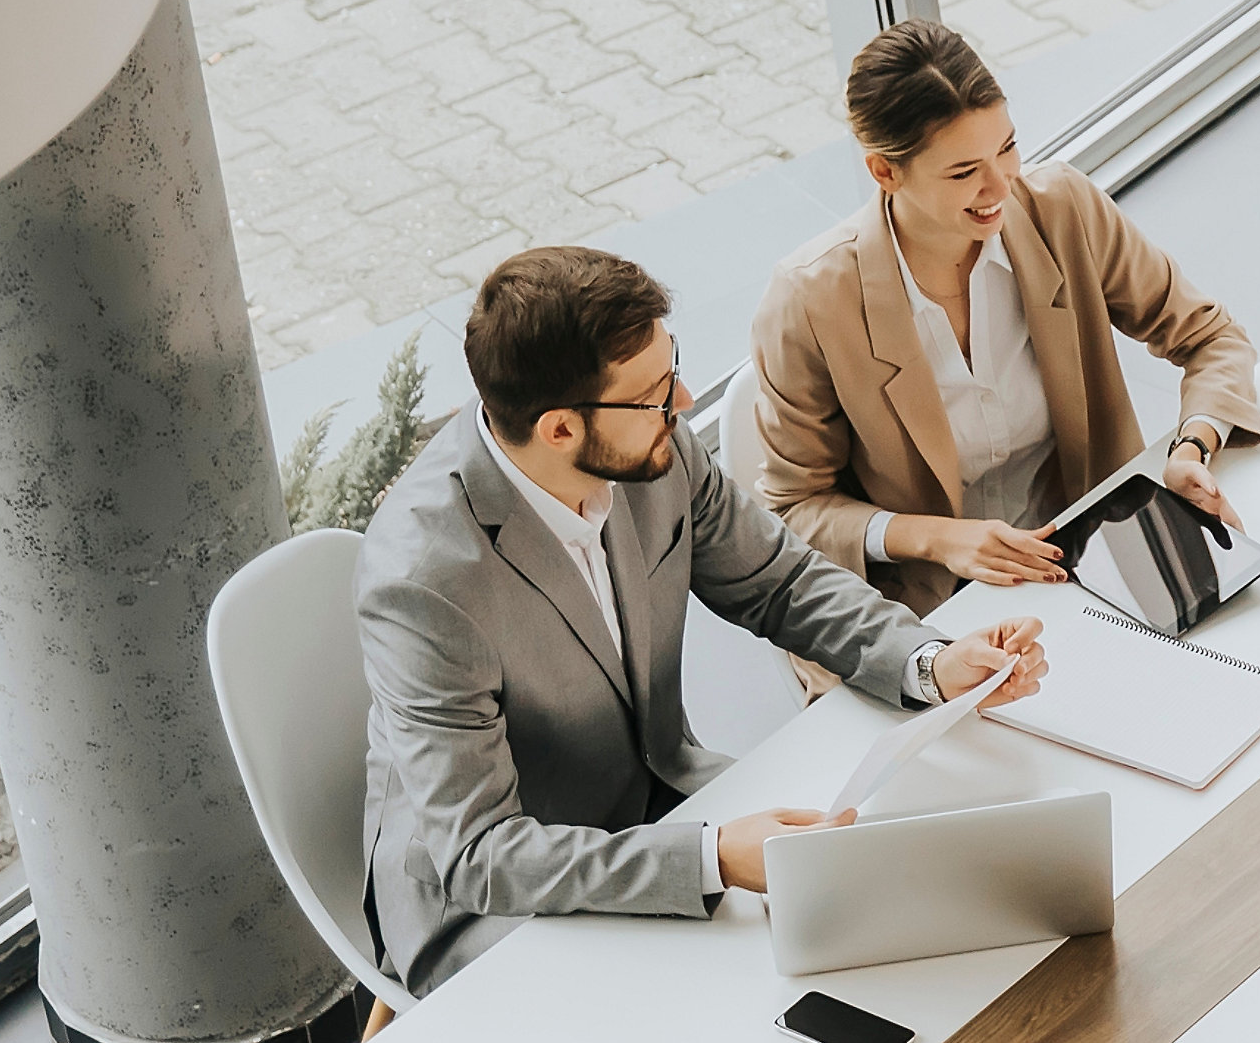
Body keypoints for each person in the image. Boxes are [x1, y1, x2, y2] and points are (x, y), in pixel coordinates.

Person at [361, 245, 1047, 995]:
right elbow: (482, 856)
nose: (684, 401)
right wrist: (711, 858)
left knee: (898, 916)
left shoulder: (650, 446)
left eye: (673, 368)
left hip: (655, 802)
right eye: (655, 392)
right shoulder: (423, 582)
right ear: (559, 430)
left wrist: (927, 663)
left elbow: (779, 582)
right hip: (491, 904)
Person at [752, 18, 1260, 616]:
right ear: (885, 172)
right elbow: (793, 509)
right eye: (964, 172)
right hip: (923, 609)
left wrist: (1191, 449)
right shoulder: (809, 301)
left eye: (1007, 147)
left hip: (1099, 558)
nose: (1001, 184)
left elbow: (1211, 336)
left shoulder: (1062, 209)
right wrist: (938, 539)